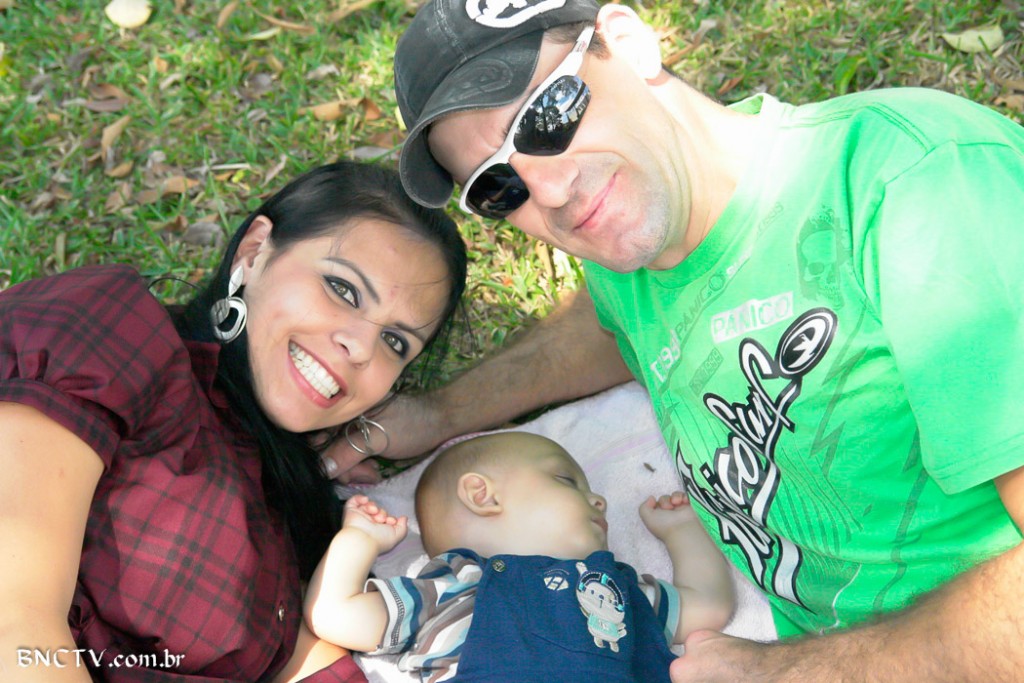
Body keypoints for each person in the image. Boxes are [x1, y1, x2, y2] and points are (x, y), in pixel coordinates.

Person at [320, 0, 1024, 680]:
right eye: (499, 187)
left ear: (630, 45)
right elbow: (603, 330)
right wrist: (441, 414)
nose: (551, 190)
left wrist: (786, 672)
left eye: (547, 116)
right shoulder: (633, 257)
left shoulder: (919, 189)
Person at [0, 161, 467, 682]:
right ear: (254, 251)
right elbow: (17, 628)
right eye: (343, 289)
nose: (361, 347)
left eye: (395, 342)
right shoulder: (112, 333)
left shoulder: (293, 519)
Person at [306, 431, 733, 682]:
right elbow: (334, 615)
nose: (599, 500)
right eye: (567, 480)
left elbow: (708, 606)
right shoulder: (454, 588)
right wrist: (358, 539)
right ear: (482, 495)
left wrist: (684, 533)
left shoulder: (614, 587)